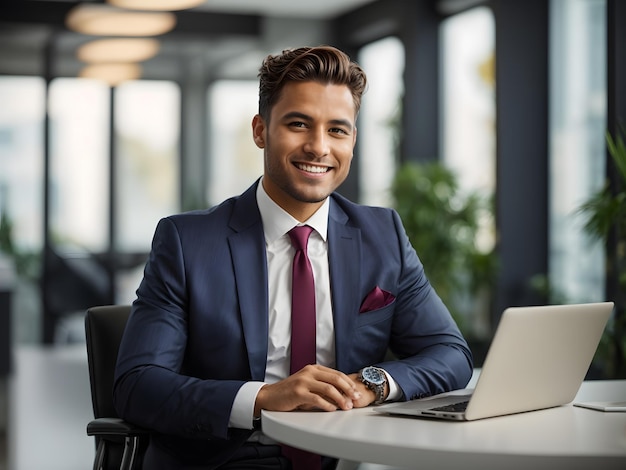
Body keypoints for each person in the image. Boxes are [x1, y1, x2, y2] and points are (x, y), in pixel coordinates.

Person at [113, 45, 473, 470]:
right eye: (299, 124)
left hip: (343, 456)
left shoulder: (383, 235)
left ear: (353, 140)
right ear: (261, 130)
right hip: (224, 458)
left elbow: (450, 353)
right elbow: (138, 385)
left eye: (337, 130)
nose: (319, 147)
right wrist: (264, 399)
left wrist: (372, 384)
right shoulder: (187, 241)